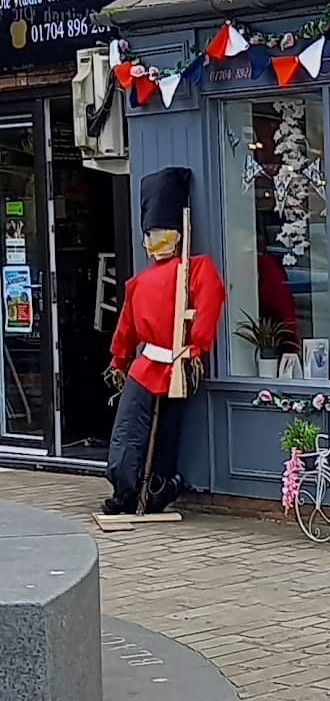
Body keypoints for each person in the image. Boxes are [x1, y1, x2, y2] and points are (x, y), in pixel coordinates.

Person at [104, 167, 225, 515]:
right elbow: (126, 326)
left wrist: (196, 346)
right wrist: (119, 359)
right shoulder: (139, 282)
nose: (154, 242)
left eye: (161, 234)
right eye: (150, 235)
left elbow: (208, 305)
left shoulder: (198, 270)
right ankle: (128, 490)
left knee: (164, 433)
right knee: (130, 430)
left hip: (179, 362)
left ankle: (156, 487)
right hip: (150, 365)